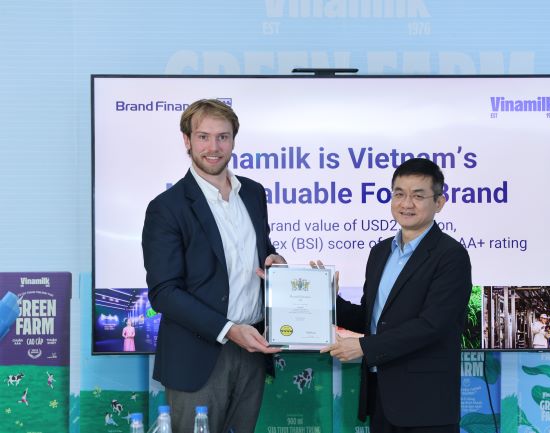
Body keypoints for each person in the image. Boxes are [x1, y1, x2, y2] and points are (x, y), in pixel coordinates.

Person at [142, 99, 284, 433]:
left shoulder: (253, 193)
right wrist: (228, 329)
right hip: (197, 356)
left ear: (233, 140)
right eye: (203, 137)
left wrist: (275, 262)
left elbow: (258, 251)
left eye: (223, 137)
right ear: (187, 140)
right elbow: (164, 292)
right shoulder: (167, 207)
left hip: (252, 348)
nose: (213, 147)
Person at [321, 158, 472, 433]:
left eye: (418, 196)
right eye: (399, 194)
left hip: (426, 405)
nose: (406, 204)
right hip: (382, 399)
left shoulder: (451, 256)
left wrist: (364, 347)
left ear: (439, 203)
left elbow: (433, 325)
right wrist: (329, 299)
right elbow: (371, 319)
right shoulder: (380, 253)